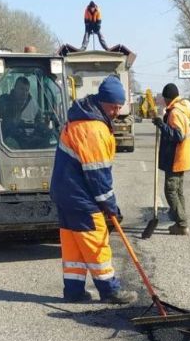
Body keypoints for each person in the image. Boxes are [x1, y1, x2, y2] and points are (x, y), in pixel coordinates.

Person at [49, 76, 137, 304]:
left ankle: (74, 291)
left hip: (64, 193)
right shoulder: (93, 129)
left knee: (73, 244)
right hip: (80, 196)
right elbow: (98, 177)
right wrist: (110, 207)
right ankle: (110, 290)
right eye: (113, 107)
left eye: (120, 107)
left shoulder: (81, 118)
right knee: (96, 240)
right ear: (102, 102)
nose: (117, 112)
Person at [152, 83, 190, 235]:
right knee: (178, 191)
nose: (163, 101)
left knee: (170, 191)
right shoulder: (184, 107)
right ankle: (179, 220)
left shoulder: (175, 112)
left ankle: (182, 224)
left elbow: (177, 135)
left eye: (164, 98)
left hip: (175, 157)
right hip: (183, 156)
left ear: (168, 98)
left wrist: (162, 125)